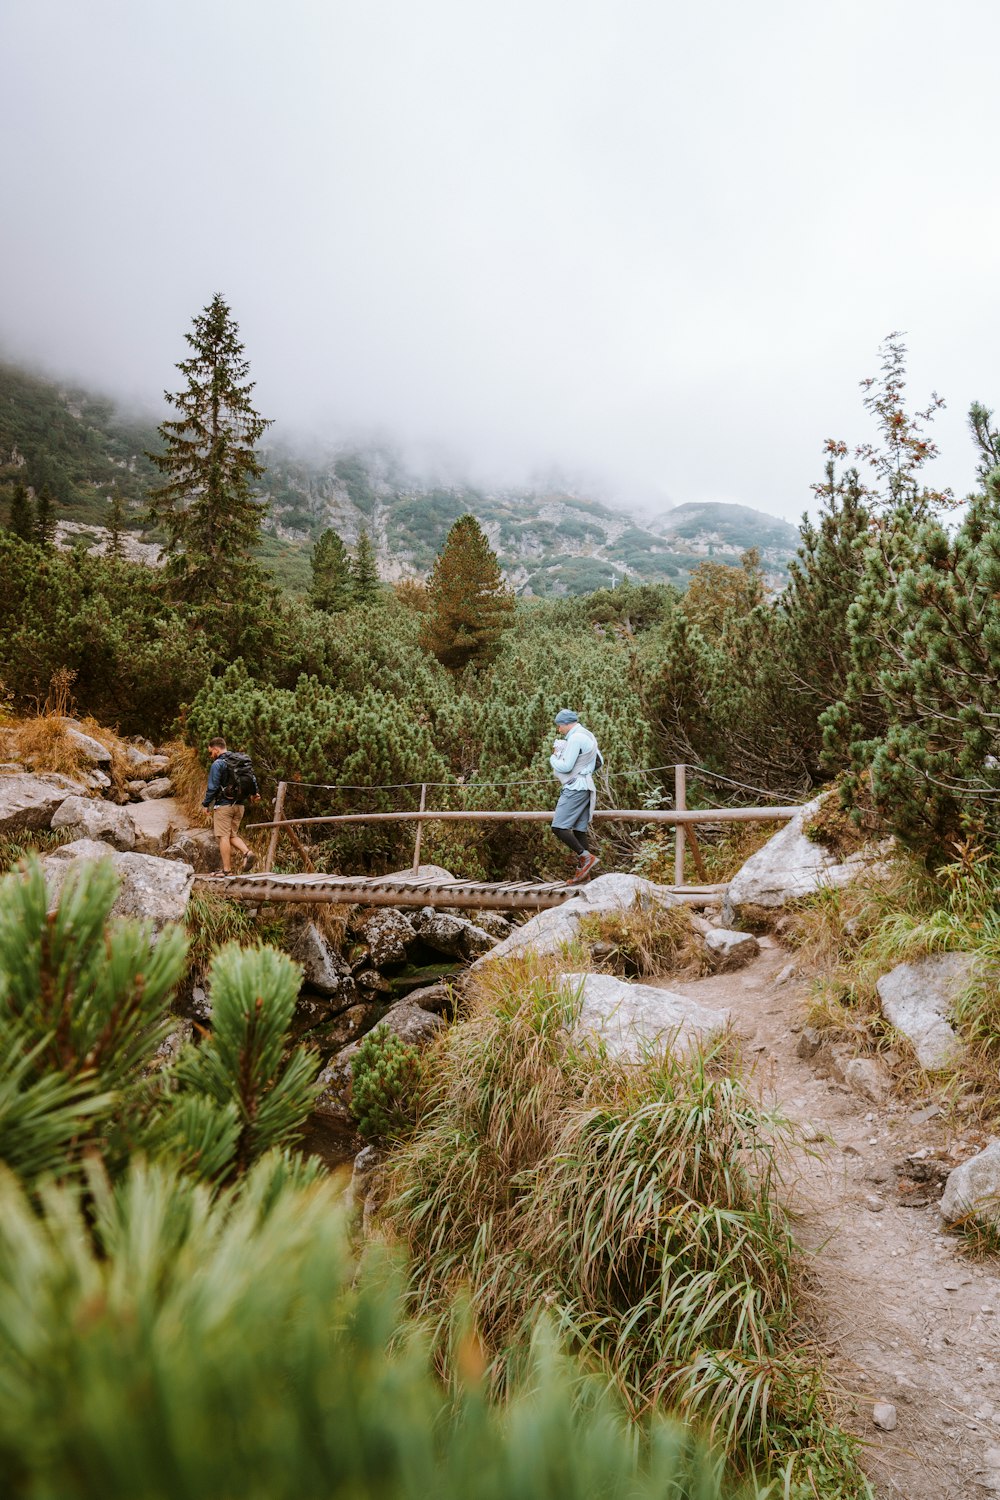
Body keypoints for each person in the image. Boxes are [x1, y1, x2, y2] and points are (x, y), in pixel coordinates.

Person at [549, 708, 601, 883]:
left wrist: (553, 758)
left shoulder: (575, 738)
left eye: (559, 726)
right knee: (579, 831)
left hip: (575, 788)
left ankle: (585, 857)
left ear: (566, 724)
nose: (559, 730)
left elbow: (565, 766)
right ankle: (584, 876)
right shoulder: (588, 735)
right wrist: (585, 771)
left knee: (558, 827)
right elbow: (599, 760)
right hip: (586, 786)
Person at [202, 737, 256, 875]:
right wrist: (254, 793)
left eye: (210, 752)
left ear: (216, 749)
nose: (211, 756)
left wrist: (206, 804)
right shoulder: (239, 761)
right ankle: (247, 853)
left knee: (223, 836)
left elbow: (213, 787)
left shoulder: (218, 764)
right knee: (232, 835)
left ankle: (227, 871)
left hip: (224, 806)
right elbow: (252, 778)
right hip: (240, 806)